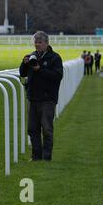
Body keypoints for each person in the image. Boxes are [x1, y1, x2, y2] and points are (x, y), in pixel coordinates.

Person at [20, 31, 63, 161]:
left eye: (39, 42)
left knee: (47, 129)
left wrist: (40, 70)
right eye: (35, 42)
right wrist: (24, 62)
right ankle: (36, 157)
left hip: (47, 99)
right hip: (33, 98)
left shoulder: (54, 58)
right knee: (32, 130)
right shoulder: (32, 56)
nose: (37, 45)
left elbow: (58, 76)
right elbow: (23, 73)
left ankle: (46, 157)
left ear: (46, 43)